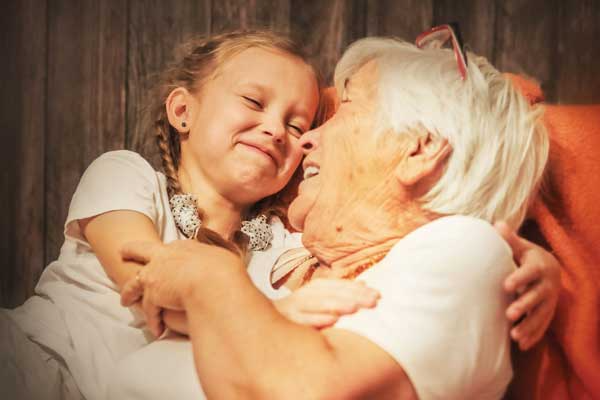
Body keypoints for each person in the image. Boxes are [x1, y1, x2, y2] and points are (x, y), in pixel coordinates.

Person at [118, 31, 554, 399]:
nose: (307, 140)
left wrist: (206, 276)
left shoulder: (467, 248)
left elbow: (301, 390)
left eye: (345, 108)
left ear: (419, 149)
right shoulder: (289, 269)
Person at [1, 30, 384, 400]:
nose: (275, 130)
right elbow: (150, 286)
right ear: (183, 111)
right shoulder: (124, 176)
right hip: (32, 368)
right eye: (253, 102)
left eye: (296, 125)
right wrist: (272, 316)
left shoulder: (279, 247)